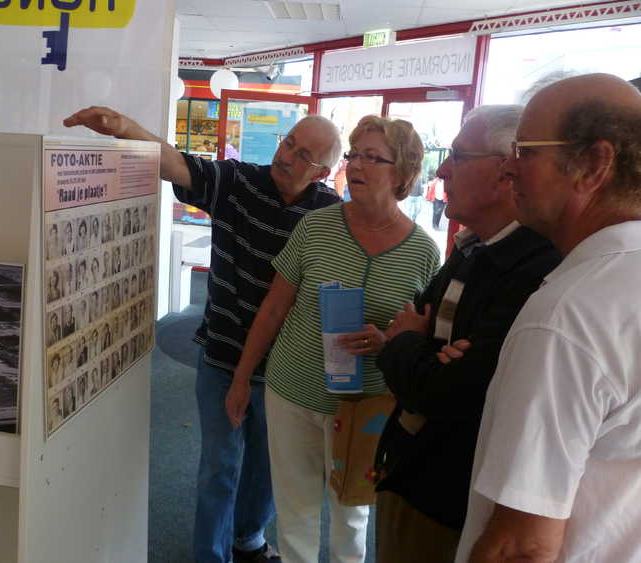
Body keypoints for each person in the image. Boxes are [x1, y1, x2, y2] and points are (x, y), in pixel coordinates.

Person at [64, 106, 343, 563]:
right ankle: (210, 556)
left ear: (322, 172)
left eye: (303, 153)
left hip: (286, 372)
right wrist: (125, 127)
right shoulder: (239, 184)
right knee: (219, 466)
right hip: (222, 357)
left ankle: (249, 538)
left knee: (267, 466)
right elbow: (178, 165)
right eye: (288, 141)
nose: (288, 155)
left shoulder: (330, 218)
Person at [226, 115, 440, 562]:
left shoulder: (423, 252)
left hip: (367, 403)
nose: (357, 165)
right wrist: (242, 377)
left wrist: (389, 342)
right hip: (292, 391)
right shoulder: (316, 227)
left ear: (402, 173)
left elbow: (423, 335)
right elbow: (274, 308)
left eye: (372, 157)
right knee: (296, 512)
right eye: (354, 155)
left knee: (352, 515)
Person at [455, 74, 641, 562]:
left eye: (525, 150)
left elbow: (521, 546)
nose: (508, 168)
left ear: (594, 165)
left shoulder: (570, 315)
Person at [373, 105, 561, 563]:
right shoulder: (472, 247)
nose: (441, 170)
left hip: (447, 497)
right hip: (409, 469)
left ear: (504, 172)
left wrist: (405, 344)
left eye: (457, 156)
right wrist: (422, 350)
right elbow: (415, 329)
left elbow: (446, 390)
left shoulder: (536, 269)